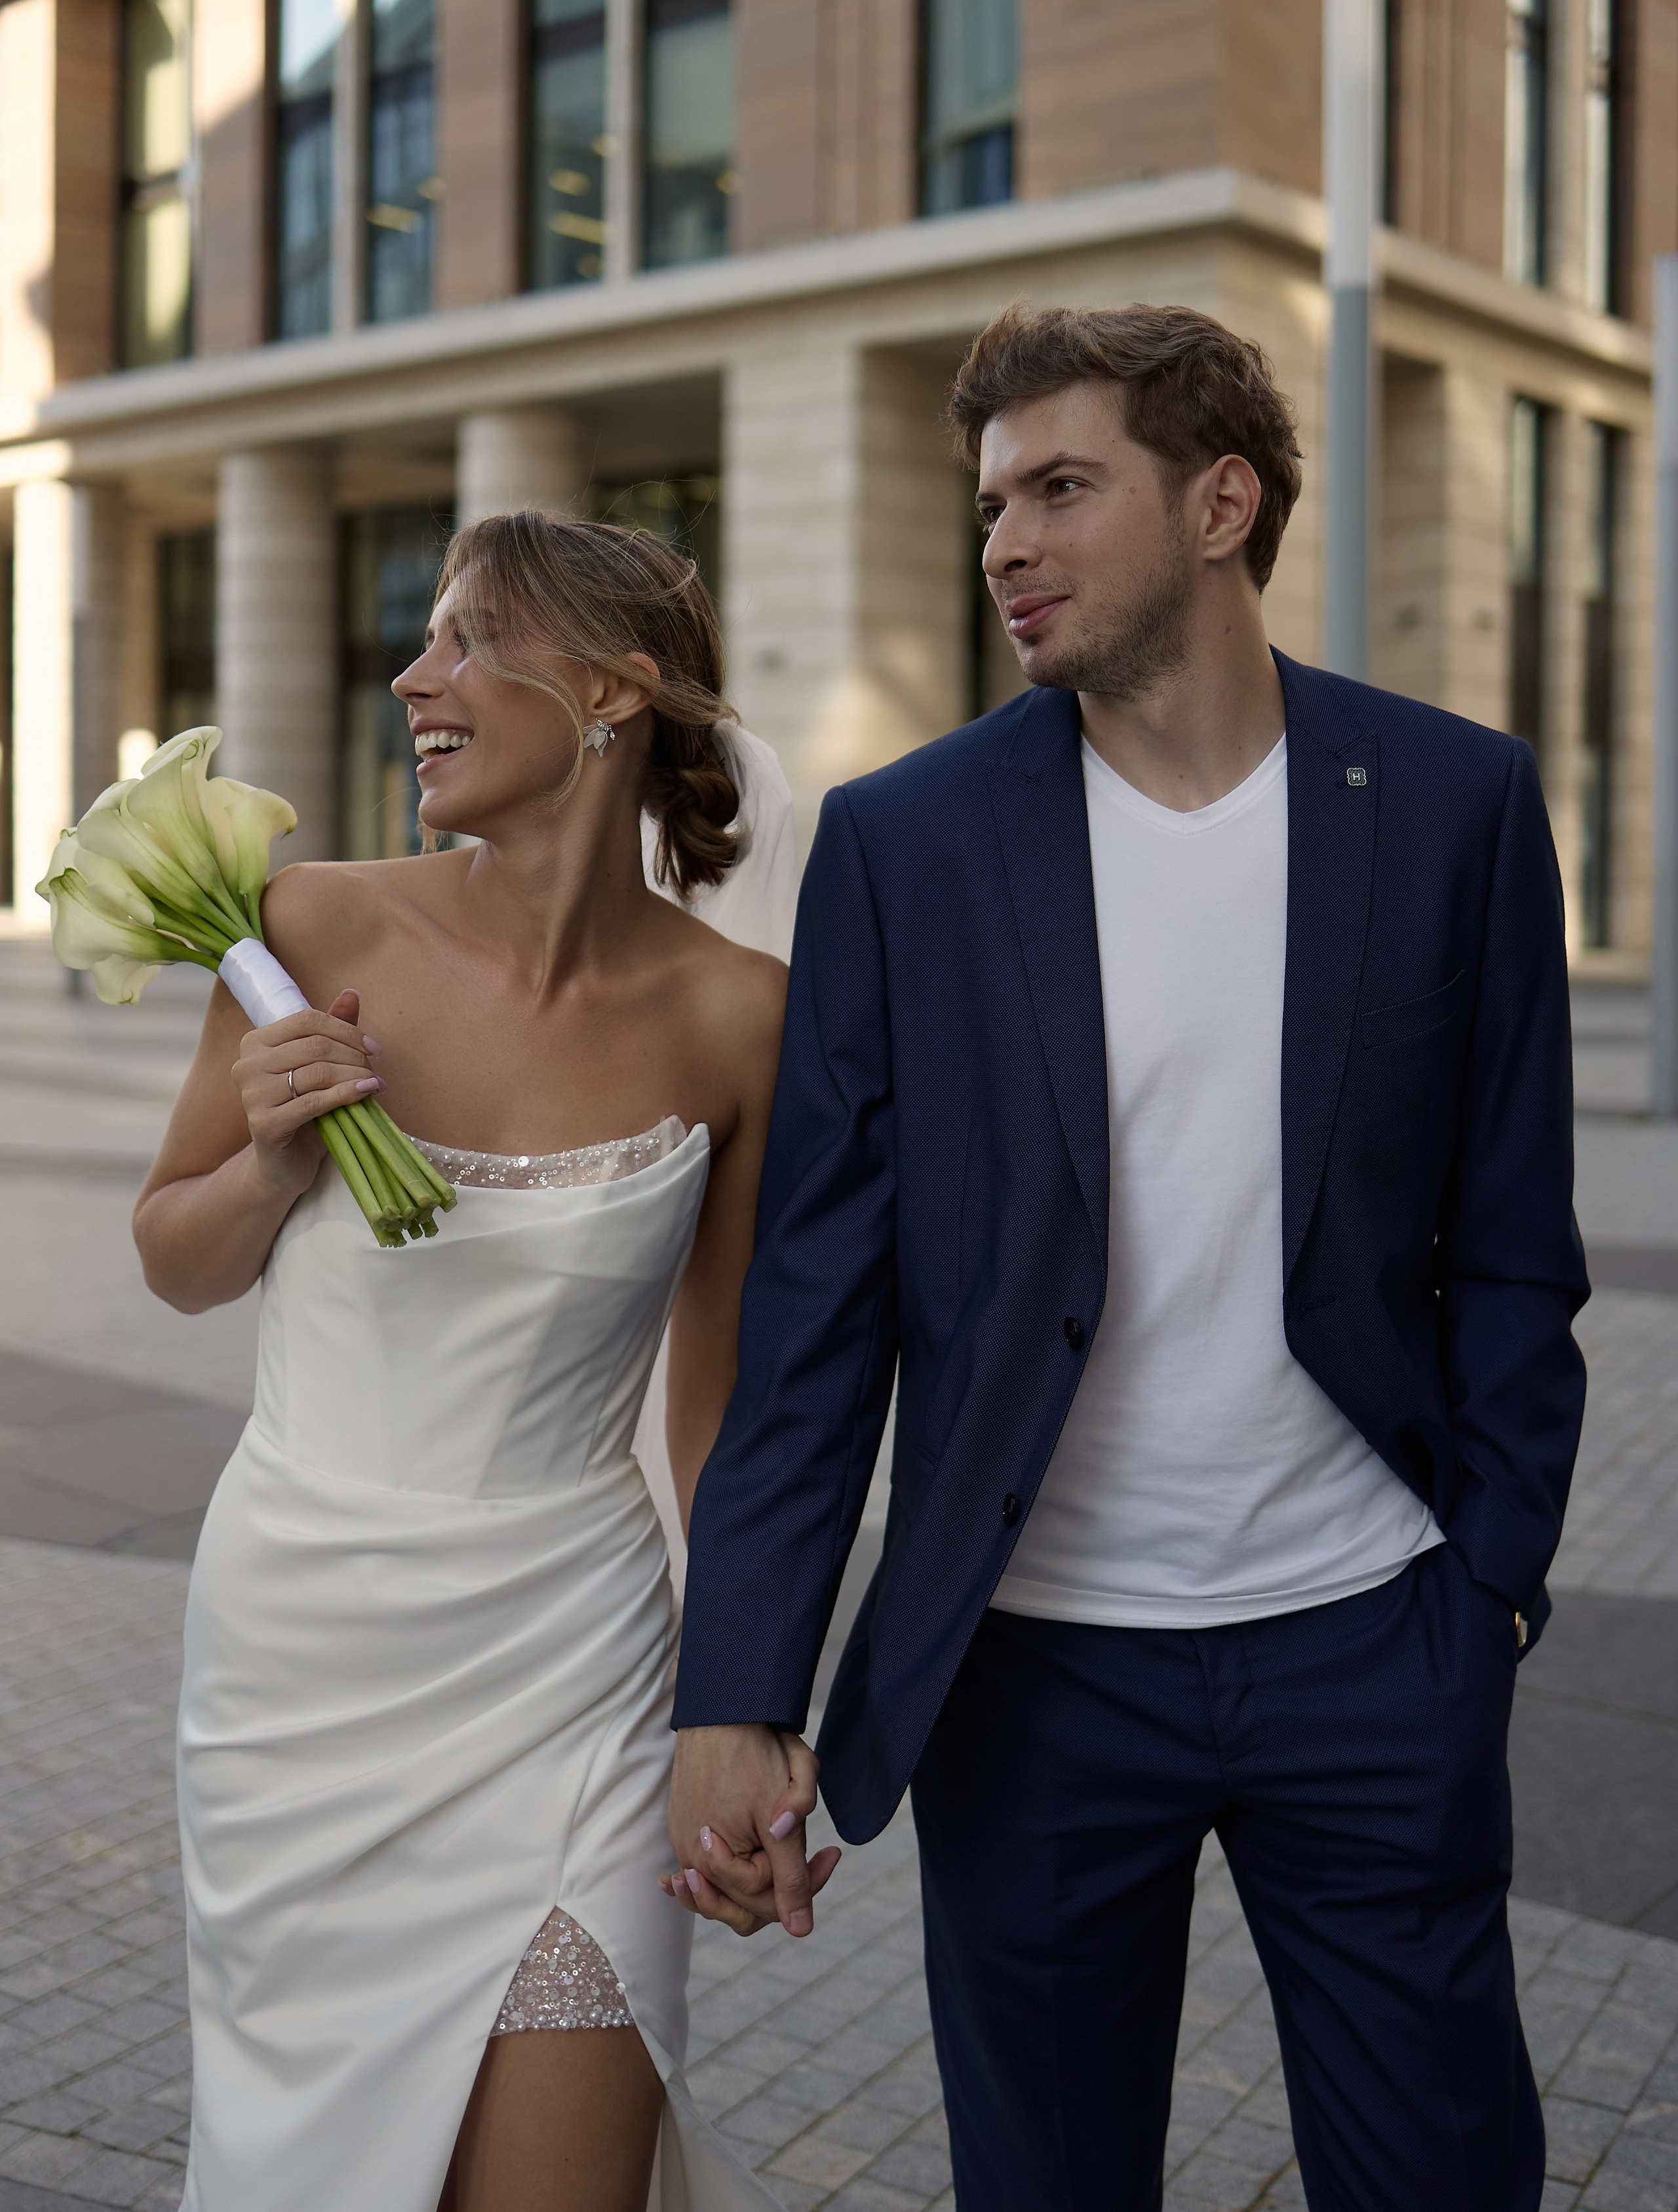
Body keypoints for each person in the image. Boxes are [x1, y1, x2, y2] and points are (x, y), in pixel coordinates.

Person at [666, 304, 1588, 2209]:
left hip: (1372, 1637)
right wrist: (738, 1687)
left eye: (1062, 488)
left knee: (1442, 2175)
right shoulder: (909, 847)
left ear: (1224, 500)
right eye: (992, 499)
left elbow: (1514, 1243)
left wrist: (1486, 1586)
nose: (1003, 540)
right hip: (1034, 1672)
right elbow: (818, 1310)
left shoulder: (1454, 806)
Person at [134, 511, 829, 2212]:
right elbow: (173, 1253)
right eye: (422, 641)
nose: (411, 675)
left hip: (576, 1678)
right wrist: (276, 1161)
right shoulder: (310, 925)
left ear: (607, 688)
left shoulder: (748, 1015)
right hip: (301, 1675)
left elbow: (718, 1401)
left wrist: (744, 1709)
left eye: (463, 639)